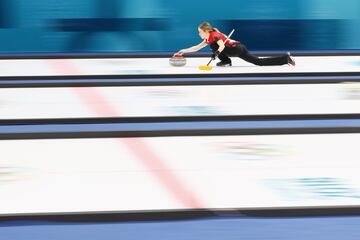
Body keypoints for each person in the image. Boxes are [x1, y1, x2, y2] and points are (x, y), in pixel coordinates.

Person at [174, 22, 295, 67]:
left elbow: (221, 46)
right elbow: (197, 47)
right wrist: (183, 51)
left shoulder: (214, 35)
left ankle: (226, 61)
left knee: (214, 46)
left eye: (199, 32)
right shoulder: (209, 37)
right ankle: (285, 59)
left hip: (235, 49)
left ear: (206, 31)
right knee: (259, 62)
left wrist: (215, 54)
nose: (198, 34)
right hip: (239, 48)